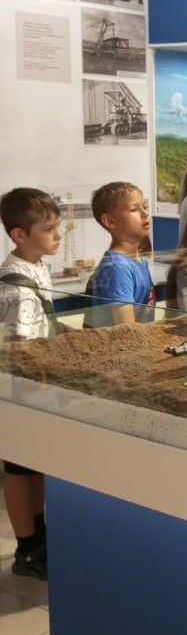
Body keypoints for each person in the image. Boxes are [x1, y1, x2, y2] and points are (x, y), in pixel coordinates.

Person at [0, 188, 62, 579]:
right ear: (19, 234)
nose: (58, 235)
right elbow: (19, 347)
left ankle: (39, 538)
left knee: (35, 466)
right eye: (48, 229)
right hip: (21, 388)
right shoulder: (15, 286)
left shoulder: (37, 266)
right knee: (20, 469)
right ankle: (27, 548)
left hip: (38, 386)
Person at [90, 182, 155, 326]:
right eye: (134, 209)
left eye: (144, 207)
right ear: (109, 221)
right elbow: (126, 329)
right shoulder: (118, 267)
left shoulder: (136, 259)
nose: (145, 213)